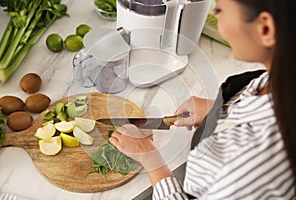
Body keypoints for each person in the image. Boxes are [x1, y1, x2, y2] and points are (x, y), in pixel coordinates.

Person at [109, 0, 296, 199]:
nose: (215, 17)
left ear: (265, 28)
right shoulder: (282, 77)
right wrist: (216, 111)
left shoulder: (250, 165)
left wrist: (151, 160)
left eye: (220, 10)